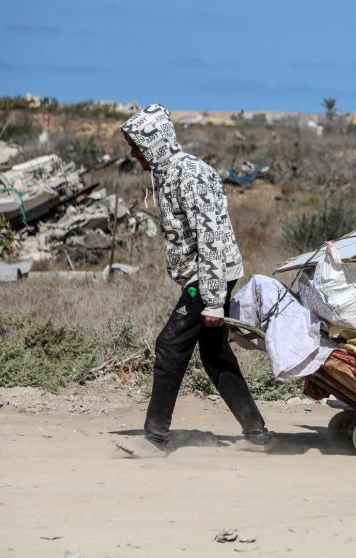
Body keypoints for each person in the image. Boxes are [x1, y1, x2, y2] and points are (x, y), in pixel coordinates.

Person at [115, 104, 270, 458]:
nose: (133, 154)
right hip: (202, 276)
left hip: (208, 276)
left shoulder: (191, 175)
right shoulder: (167, 175)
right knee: (214, 354)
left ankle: (155, 439)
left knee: (170, 345)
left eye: (137, 146)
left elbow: (212, 240)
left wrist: (213, 300)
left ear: (153, 143)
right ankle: (257, 435)